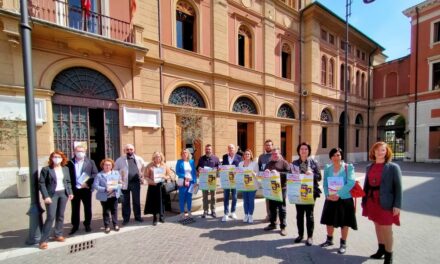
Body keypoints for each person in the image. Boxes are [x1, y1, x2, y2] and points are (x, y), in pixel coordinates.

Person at [362, 142, 402, 264]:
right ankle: (381, 250)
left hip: (386, 203)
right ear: (373, 152)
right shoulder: (369, 167)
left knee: (386, 229)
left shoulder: (393, 167)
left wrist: (397, 205)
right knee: (378, 226)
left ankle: (389, 256)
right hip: (372, 201)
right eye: (377, 150)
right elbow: (367, 185)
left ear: (387, 152)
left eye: (382, 150)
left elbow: (398, 187)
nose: (380, 152)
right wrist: (364, 200)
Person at [320, 148, 357, 254]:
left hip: (344, 199)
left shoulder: (348, 167)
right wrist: (327, 195)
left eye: (338, 155)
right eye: (333, 155)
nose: (336, 157)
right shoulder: (328, 168)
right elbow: (325, 184)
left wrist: (338, 194)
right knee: (329, 220)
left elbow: (351, 182)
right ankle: (329, 239)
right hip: (331, 198)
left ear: (341, 156)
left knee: (345, 222)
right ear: (330, 157)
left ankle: (343, 243)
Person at [38, 150, 74, 250]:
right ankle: (43, 240)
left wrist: (70, 192)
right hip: (52, 195)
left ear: (62, 158)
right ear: (51, 158)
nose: (56, 158)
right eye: (54, 156)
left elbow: (68, 181)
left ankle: (58, 234)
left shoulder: (65, 168)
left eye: (58, 157)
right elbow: (41, 184)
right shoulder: (46, 169)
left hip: (63, 194)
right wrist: (46, 196)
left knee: (61, 215)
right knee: (50, 216)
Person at [291, 142, 322, 246]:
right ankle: (300, 235)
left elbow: (319, 177)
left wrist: (312, 174)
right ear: (299, 151)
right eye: (301, 149)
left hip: (310, 192)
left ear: (308, 151)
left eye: (305, 149)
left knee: (309, 215)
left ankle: (310, 236)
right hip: (298, 192)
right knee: (299, 215)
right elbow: (289, 176)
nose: (303, 151)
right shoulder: (294, 163)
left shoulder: (314, 162)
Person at [67, 145, 98, 235]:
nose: (80, 153)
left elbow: (95, 174)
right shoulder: (69, 163)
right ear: (74, 152)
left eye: (82, 151)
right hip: (74, 189)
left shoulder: (90, 162)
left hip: (86, 189)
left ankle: (87, 224)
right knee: (75, 208)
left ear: (85, 152)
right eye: (78, 151)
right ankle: (75, 226)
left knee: (87, 208)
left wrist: (87, 183)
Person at [114, 144, 145, 225]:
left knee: (136, 201)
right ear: (124, 151)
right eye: (127, 149)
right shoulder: (119, 160)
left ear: (133, 150)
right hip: (124, 184)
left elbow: (144, 167)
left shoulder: (139, 159)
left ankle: (138, 217)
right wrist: (118, 180)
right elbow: (115, 170)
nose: (129, 151)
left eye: (131, 149)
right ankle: (126, 219)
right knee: (125, 202)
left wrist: (142, 175)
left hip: (136, 183)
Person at [263, 147, 291, 236]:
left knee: (281, 208)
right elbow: (264, 173)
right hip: (271, 188)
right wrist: (266, 171)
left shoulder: (284, 163)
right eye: (273, 154)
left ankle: (283, 227)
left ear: (279, 154)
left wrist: (278, 173)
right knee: (272, 207)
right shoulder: (269, 163)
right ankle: (273, 224)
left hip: (281, 188)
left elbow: (289, 174)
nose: (275, 155)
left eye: (276, 154)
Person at [144, 151, 174, 226]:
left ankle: (162, 216)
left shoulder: (164, 165)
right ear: (153, 158)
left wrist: (165, 177)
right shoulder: (149, 166)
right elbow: (146, 176)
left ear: (161, 157)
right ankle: (155, 217)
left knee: (162, 201)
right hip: (153, 186)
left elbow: (170, 175)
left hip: (161, 186)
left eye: (159, 156)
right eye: (156, 156)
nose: (158, 158)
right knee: (154, 202)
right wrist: (152, 182)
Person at [93, 158, 121, 233]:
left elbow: (120, 183)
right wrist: (105, 189)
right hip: (104, 196)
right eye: (106, 165)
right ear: (103, 166)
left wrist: (116, 186)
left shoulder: (116, 173)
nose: (107, 166)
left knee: (114, 210)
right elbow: (95, 186)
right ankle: (107, 226)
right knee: (106, 211)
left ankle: (115, 224)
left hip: (114, 195)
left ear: (112, 166)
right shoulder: (99, 175)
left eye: (109, 165)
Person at [197, 144, 220, 218]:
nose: (208, 150)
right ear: (205, 150)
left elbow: (219, 166)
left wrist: (216, 169)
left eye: (209, 149)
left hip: (212, 179)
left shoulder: (216, 158)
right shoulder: (201, 158)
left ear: (211, 150)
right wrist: (199, 169)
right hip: (204, 179)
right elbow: (198, 167)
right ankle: (205, 211)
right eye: (206, 149)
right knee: (205, 196)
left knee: (213, 196)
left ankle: (213, 210)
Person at [221, 144, 242, 222]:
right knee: (226, 196)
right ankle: (226, 213)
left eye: (232, 148)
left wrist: (237, 171)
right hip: (226, 180)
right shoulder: (224, 157)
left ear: (235, 149)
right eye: (229, 148)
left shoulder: (239, 157)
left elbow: (240, 168)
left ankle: (233, 212)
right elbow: (223, 166)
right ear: (228, 149)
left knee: (234, 197)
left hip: (235, 180)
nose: (231, 149)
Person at [238, 149, 259, 224]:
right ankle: (246, 214)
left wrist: (254, 173)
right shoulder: (240, 164)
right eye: (246, 154)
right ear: (243, 156)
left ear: (251, 155)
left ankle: (250, 215)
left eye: (248, 154)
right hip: (244, 185)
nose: (247, 155)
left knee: (251, 200)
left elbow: (258, 174)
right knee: (245, 201)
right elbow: (239, 173)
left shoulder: (254, 163)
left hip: (252, 185)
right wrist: (235, 172)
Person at [176, 149, 197, 220]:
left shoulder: (191, 161)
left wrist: (195, 181)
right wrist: (184, 176)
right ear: (181, 154)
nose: (184, 154)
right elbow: (177, 172)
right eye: (183, 153)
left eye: (185, 153)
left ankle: (189, 212)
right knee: (182, 197)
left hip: (190, 182)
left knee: (189, 197)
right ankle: (182, 213)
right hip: (182, 181)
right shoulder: (179, 162)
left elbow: (194, 172)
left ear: (188, 154)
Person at [258, 139, 273, 222]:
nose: (268, 146)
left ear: (272, 146)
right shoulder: (261, 156)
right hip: (265, 181)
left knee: (275, 200)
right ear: (264, 146)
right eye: (266, 145)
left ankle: (275, 217)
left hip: (274, 181)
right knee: (267, 199)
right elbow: (260, 168)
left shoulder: (276, 155)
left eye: (269, 145)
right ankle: (268, 215)